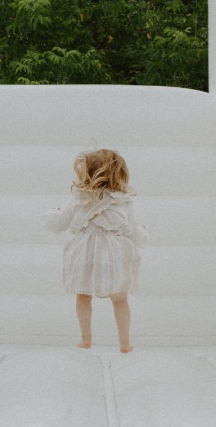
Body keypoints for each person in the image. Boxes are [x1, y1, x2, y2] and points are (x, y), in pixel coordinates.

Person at [43, 149, 146, 353]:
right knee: (120, 298)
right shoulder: (123, 201)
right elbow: (131, 230)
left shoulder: (80, 198)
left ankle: (86, 339)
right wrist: (143, 234)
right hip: (114, 252)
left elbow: (60, 223)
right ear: (120, 174)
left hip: (84, 251)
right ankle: (124, 343)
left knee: (83, 295)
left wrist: (52, 213)